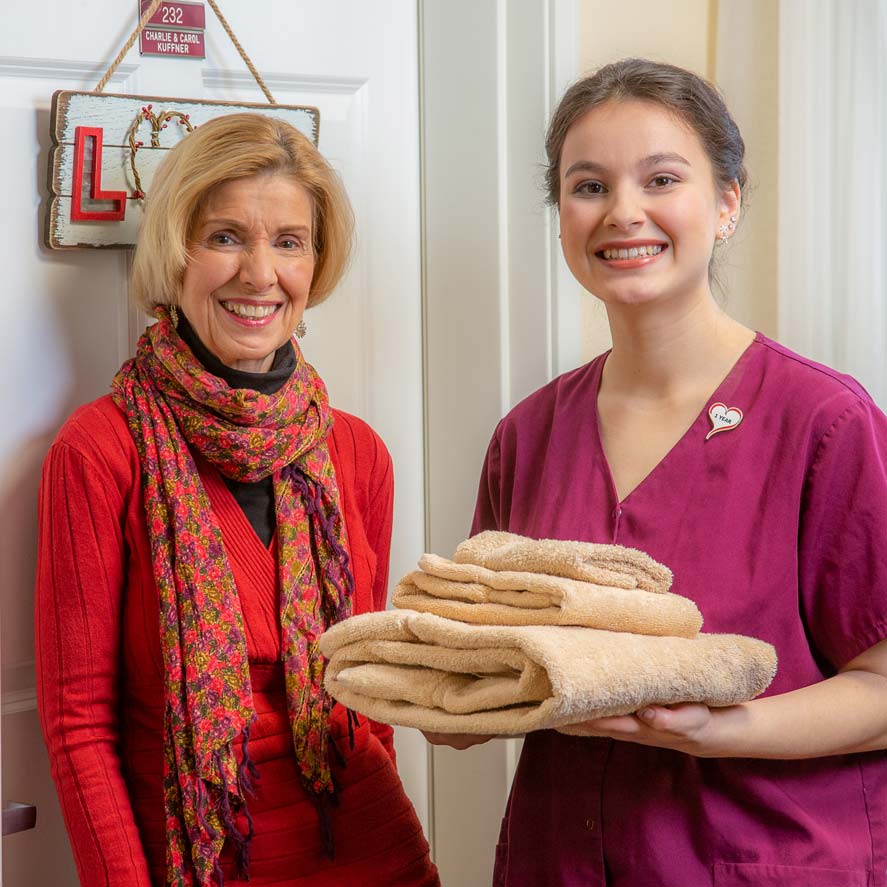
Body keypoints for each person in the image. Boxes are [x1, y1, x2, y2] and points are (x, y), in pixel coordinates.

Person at [424, 59, 887, 886]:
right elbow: (491, 664)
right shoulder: (526, 436)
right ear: (561, 214)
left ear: (726, 203)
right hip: (557, 859)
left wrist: (723, 728)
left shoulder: (825, 422)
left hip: (760, 857)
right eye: (588, 185)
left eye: (661, 178)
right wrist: (445, 695)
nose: (622, 212)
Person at [36, 113, 439, 887]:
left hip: (370, 846)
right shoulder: (100, 451)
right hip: (203, 856)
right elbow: (79, 727)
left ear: (314, 264)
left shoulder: (357, 452)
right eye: (226, 236)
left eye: (288, 241)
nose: (260, 274)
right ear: (174, 252)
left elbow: (367, 692)